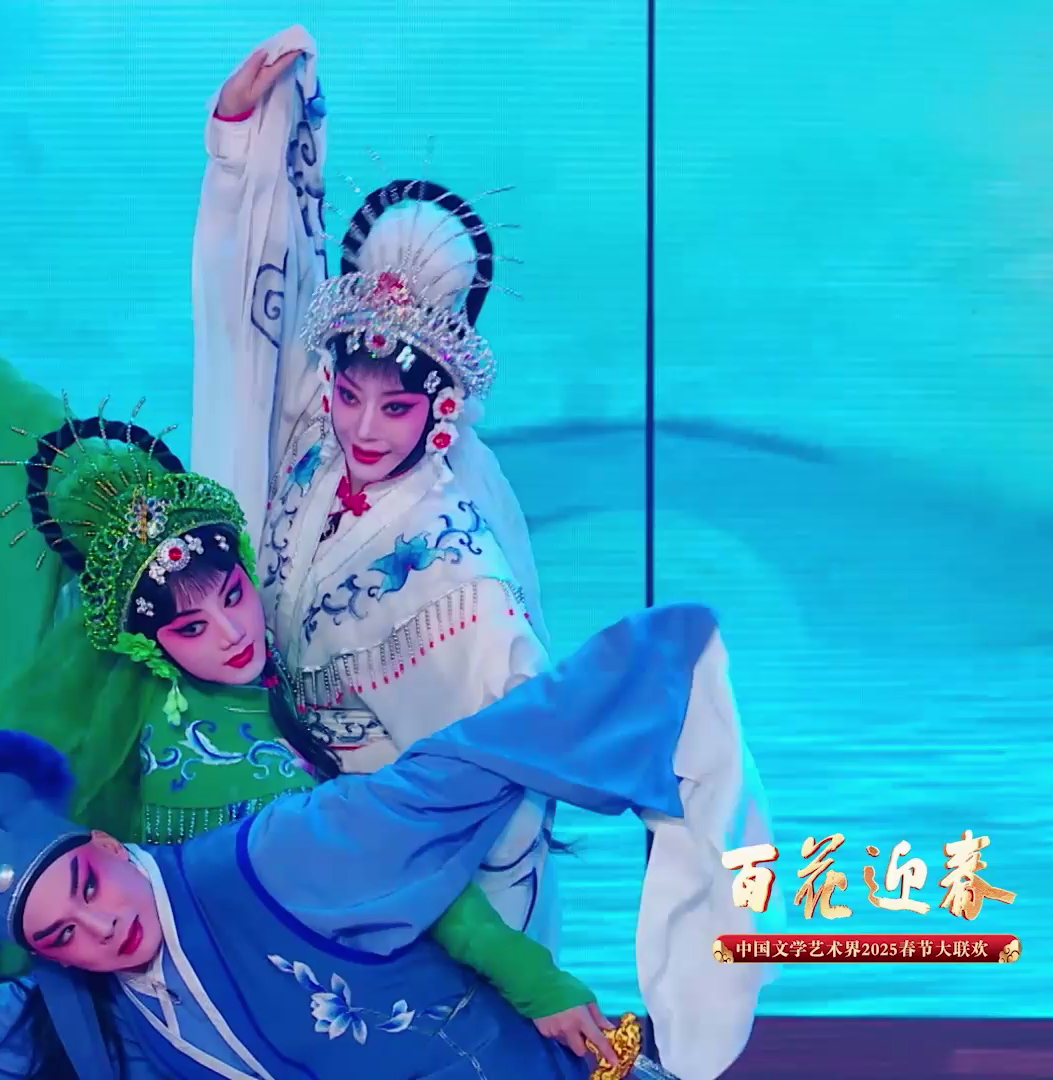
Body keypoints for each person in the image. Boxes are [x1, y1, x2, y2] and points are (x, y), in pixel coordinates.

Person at [189, 28, 780, 1079]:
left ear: (442, 411)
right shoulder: (314, 448)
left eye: (396, 407)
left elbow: (508, 777)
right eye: (349, 395)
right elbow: (251, 327)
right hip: (282, 822)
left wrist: (495, 941)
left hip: (399, 874)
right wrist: (242, 150)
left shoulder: (460, 576)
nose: (364, 427)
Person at [0, 292, 617, 1050]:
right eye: (190, 628)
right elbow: (383, 858)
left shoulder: (431, 566)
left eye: (233, 597)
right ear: (147, 643)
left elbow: (68, 450)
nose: (231, 636)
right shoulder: (227, 759)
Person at [0, 603, 731, 1080]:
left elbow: (446, 779)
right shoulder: (82, 1013)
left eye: (84, 883)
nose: (100, 927)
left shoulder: (273, 858)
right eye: (60, 934)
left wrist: (654, 675)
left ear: (102, 841)